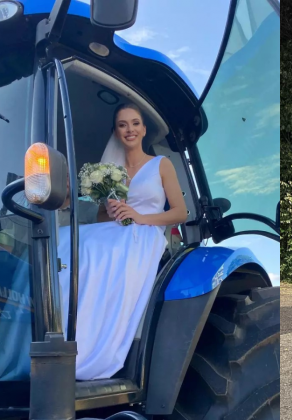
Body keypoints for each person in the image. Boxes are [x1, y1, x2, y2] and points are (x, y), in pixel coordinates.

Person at [57, 103, 188, 380]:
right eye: (123, 124)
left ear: (143, 130)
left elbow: (179, 213)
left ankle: (95, 350)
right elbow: (104, 217)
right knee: (67, 238)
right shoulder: (108, 172)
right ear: (116, 132)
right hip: (117, 230)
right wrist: (113, 210)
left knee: (101, 249)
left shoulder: (160, 165)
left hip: (146, 233)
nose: (130, 129)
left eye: (135, 123)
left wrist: (138, 215)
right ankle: (64, 333)